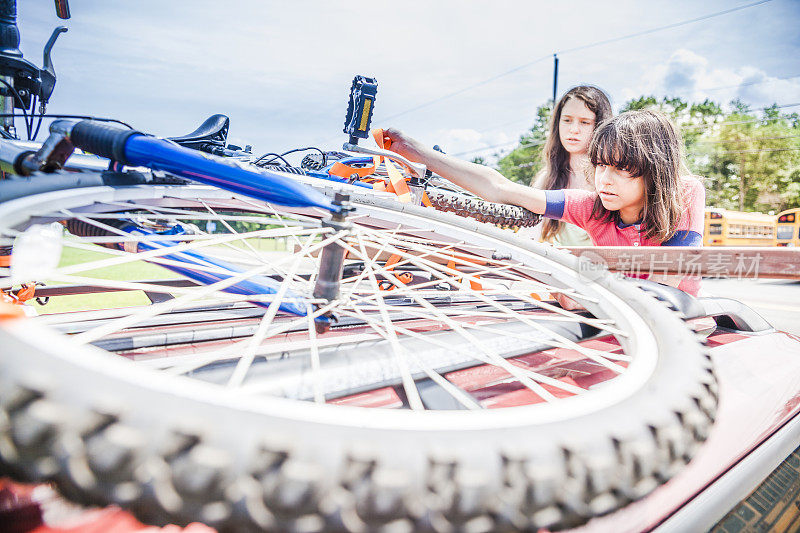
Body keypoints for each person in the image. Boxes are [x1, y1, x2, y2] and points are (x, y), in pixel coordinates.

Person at [380, 110, 705, 301]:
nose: (605, 179)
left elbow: (666, 289)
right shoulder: (594, 209)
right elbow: (500, 188)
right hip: (619, 314)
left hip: (679, 323)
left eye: (621, 168)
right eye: (602, 166)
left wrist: (586, 296)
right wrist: (418, 152)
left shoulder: (686, 194)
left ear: (655, 169)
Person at [531, 85, 613, 246]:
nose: (574, 129)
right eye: (567, 120)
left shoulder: (608, 180)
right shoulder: (546, 179)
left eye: (584, 122)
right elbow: (530, 234)